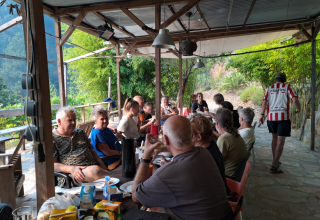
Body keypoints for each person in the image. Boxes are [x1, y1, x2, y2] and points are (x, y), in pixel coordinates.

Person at [132, 116, 233, 220]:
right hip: (225, 216)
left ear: (165, 139)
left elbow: (136, 197)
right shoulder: (204, 152)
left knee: (151, 209)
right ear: (191, 134)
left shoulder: (168, 173)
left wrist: (145, 156)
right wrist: (164, 146)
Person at [52, 106, 109, 188]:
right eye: (70, 120)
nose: (73, 122)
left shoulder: (80, 132)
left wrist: (102, 165)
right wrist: (72, 169)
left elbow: (92, 151)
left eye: (74, 120)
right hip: (72, 175)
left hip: (93, 167)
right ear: (59, 121)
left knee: (98, 170)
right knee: (95, 171)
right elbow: (53, 165)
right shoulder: (52, 138)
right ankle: (111, 180)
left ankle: (110, 181)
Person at [259, 72, 300, 173]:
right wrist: (298, 108)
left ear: (275, 79)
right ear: (284, 79)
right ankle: (274, 165)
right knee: (280, 142)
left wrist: (262, 114)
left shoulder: (269, 88)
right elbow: (294, 100)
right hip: (283, 118)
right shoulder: (288, 87)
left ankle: (275, 161)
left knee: (274, 138)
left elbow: (264, 102)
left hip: (271, 118)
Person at [190, 114, 228, 192]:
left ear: (198, 137)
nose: (187, 135)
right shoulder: (211, 143)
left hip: (215, 197)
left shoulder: (203, 157)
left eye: (190, 133)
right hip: (221, 188)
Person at [215, 108, 247, 176]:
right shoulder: (235, 134)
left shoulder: (224, 139)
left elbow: (215, 163)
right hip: (236, 174)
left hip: (226, 176)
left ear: (217, 123)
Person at [90, 105, 122, 170]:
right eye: (102, 119)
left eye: (106, 118)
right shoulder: (97, 133)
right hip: (112, 162)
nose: (105, 121)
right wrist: (124, 152)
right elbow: (108, 152)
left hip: (119, 157)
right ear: (95, 121)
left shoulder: (105, 129)